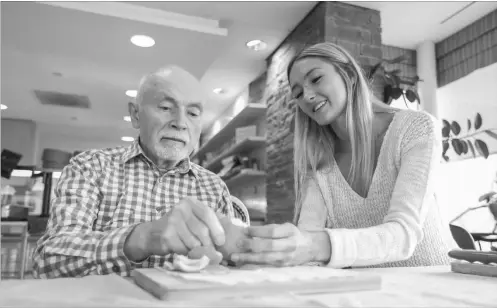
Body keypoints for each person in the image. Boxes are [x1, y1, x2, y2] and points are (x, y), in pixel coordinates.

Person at [230, 42, 453, 268]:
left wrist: (314, 247)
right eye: (297, 93)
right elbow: (308, 240)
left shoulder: (415, 127)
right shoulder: (319, 163)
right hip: (369, 296)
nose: (306, 95)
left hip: (436, 289)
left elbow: (404, 235)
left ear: (349, 75)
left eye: (316, 79)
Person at [32, 65, 237, 278]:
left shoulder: (214, 187)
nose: (180, 123)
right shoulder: (90, 168)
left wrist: (250, 253)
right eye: (166, 108)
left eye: (193, 113)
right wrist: (141, 238)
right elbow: (48, 262)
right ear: (136, 115)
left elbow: (228, 270)